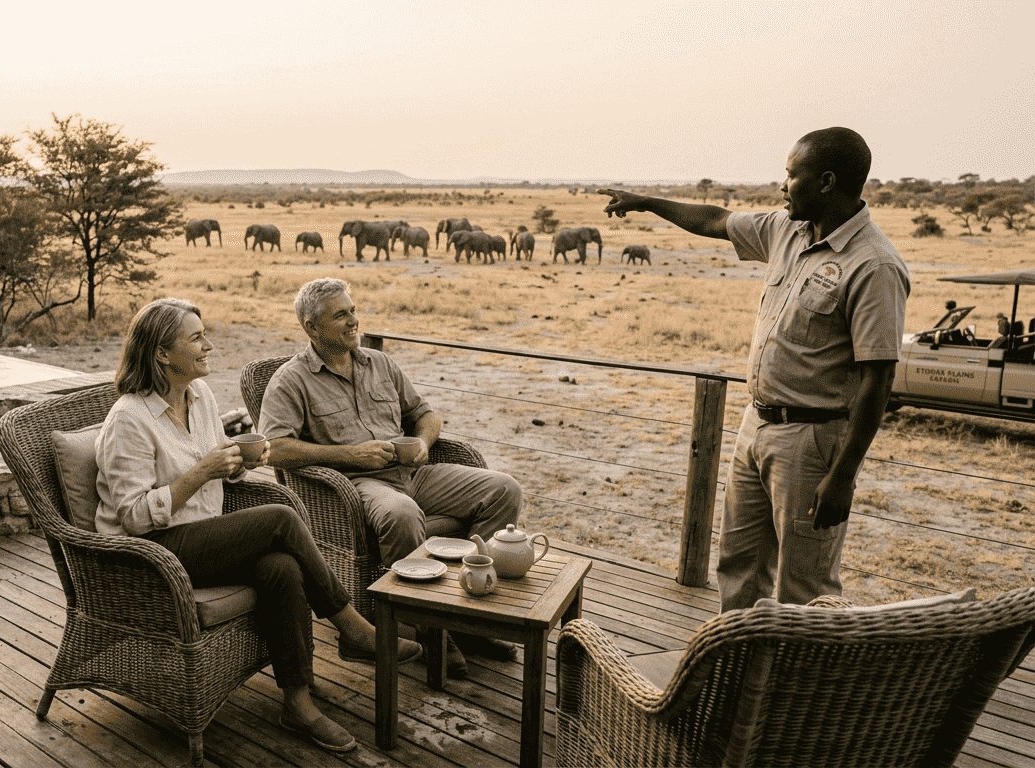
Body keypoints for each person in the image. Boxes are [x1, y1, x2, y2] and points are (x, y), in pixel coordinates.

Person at [598, 127, 910, 611]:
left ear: (825, 181)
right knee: (739, 567)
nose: (782, 185)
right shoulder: (788, 229)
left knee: (803, 586)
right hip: (756, 424)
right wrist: (645, 202)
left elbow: (879, 379)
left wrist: (844, 475)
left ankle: (792, 688)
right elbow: (715, 220)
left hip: (813, 440)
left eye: (791, 174)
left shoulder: (874, 265)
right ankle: (735, 676)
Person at [93, 298, 421, 754]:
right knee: (281, 518)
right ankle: (351, 624)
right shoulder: (129, 418)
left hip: (201, 535)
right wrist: (202, 472)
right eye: (196, 338)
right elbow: (132, 516)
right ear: (162, 355)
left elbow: (215, 470)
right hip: (151, 551)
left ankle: (298, 702)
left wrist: (237, 464)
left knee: (281, 567)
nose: (208, 345)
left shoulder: (201, 396)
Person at [258, 277, 522, 678]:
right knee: (402, 514)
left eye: (353, 310)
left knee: (504, 489)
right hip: (357, 485)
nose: (353, 321)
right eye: (340, 315)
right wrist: (349, 455)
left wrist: (422, 442)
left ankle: (467, 620)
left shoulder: (380, 363)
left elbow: (425, 413)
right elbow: (273, 448)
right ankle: (434, 632)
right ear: (312, 327)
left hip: (414, 472)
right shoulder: (291, 380)